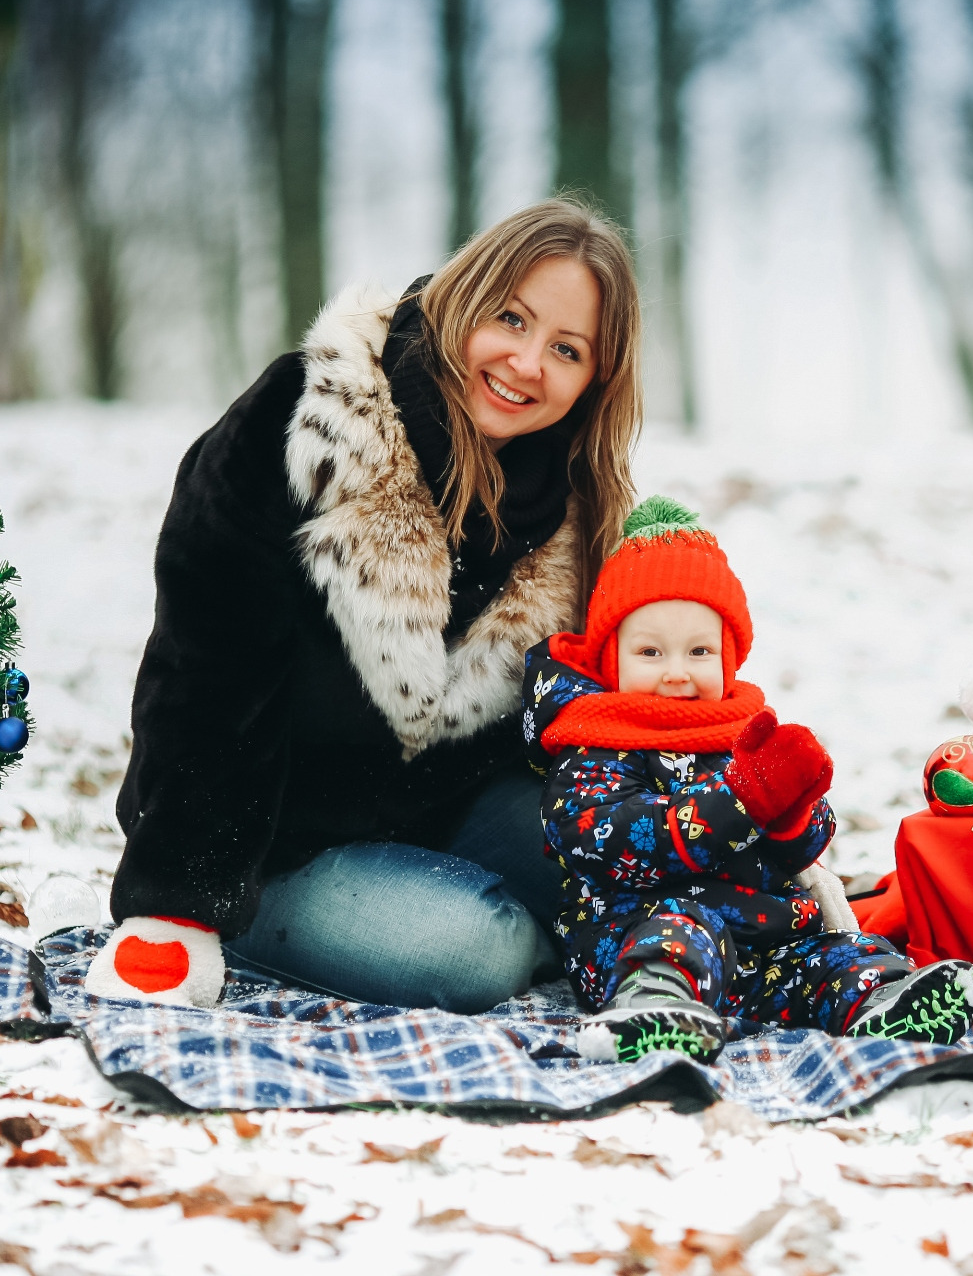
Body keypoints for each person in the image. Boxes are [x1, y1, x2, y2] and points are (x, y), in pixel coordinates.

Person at [85, 198, 642, 1012]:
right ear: (465, 296)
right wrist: (182, 900)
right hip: (267, 837)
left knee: (634, 868)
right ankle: (261, 924)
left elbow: (620, 702)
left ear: (596, 379)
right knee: (482, 947)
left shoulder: (573, 505)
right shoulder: (308, 421)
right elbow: (203, 678)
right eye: (511, 320)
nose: (527, 363)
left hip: (438, 810)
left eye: (566, 349)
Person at [523, 497, 973, 1063]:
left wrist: (791, 813)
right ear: (610, 658)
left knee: (838, 953)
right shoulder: (597, 742)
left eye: (699, 651)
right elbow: (613, 838)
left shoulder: (739, 731)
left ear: (728, 657)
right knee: (678, 929)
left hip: (763, 938)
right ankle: (653, 1011)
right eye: (649, 651)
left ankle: (885, 1003)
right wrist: (738, 801)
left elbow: (807, 850)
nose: (676, 671)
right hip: (636, 939)